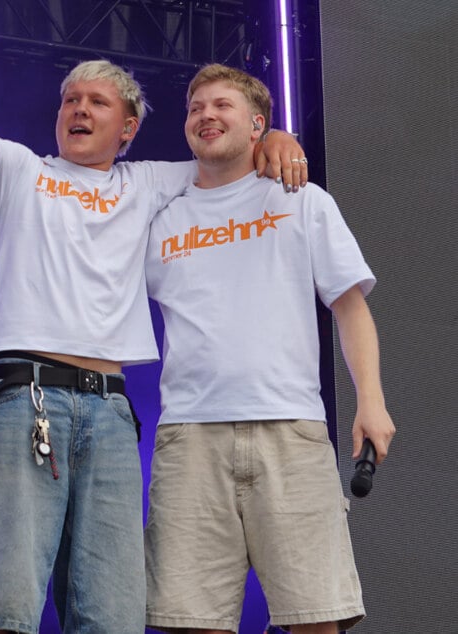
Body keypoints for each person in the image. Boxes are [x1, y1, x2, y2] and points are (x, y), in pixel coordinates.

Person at [0, 34, 306, 634]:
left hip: (109, 413)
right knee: (2, 603)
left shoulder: (150, 183)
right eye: (71, 100)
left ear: (128, 128)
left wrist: (276, 137)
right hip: (23, 400)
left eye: (97, 103)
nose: (79, 110)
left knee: (113, 614)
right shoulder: (19, 169)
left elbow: (230, 153)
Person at [143, 63, 396, 634]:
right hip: (189, 437)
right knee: (189, 622)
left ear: (258, 124)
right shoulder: (159, 216)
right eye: (195, 107)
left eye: (221, 105)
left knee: (316, 619)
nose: (205, 114)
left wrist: (371, 401)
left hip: (291, 429)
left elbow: (350, 305)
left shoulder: (303, 201)